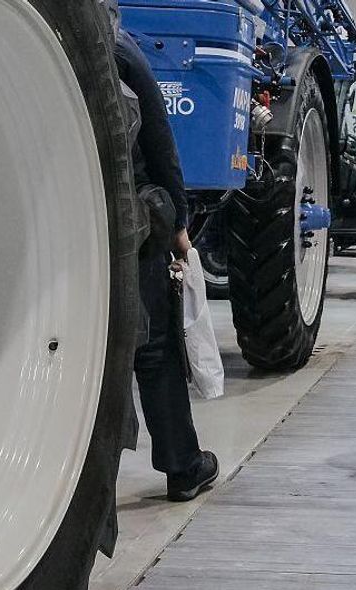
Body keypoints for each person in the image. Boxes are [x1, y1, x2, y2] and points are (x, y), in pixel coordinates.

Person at [106, 0, 218, 501]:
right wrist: (177, 221)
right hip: (133, 221)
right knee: (153, 348)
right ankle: (182, 464)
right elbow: (158, 139)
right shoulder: (119, 48)